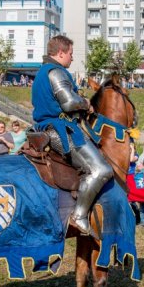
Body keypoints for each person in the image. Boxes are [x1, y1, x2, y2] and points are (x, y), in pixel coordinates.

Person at [31, 34, 112, 235]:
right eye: (70, 54)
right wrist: (86, 104)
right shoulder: (56, 72)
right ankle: (79, 215)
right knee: (101, 170)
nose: (72, 58)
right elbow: (68, 103)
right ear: (60, 53)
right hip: (60, 129)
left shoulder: (42, 72)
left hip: (46, 126)